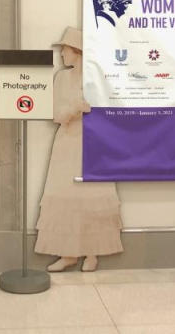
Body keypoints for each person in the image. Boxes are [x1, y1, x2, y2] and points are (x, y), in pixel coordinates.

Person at [35, 26, 123, 272]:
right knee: (66, 193)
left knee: (92, 194)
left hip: (93, 142)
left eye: (65, 49)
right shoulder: (61, 78)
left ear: (77, 51)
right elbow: (55, 114)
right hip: (68, 142)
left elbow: (112, 110)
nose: (62, 53)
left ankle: (92, 252)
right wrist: (74, 108)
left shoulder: (98, 77)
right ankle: (68, 253)